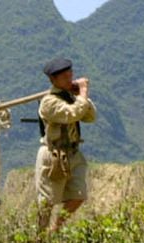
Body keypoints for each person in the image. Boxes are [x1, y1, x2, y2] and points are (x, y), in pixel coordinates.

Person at [35, 57, 96, 231]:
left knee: (78, 195)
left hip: (73, 154)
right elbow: (72, 113)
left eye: (70, 75)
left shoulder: (71, 97)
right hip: (53, 155)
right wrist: (82, 94)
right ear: (53, 80)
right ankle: (39, 241)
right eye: (64, 77)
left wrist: (80, 96)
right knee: (47, 203)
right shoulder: (49, 102)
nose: (69, 79)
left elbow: (90, 116)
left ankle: (55, 230)